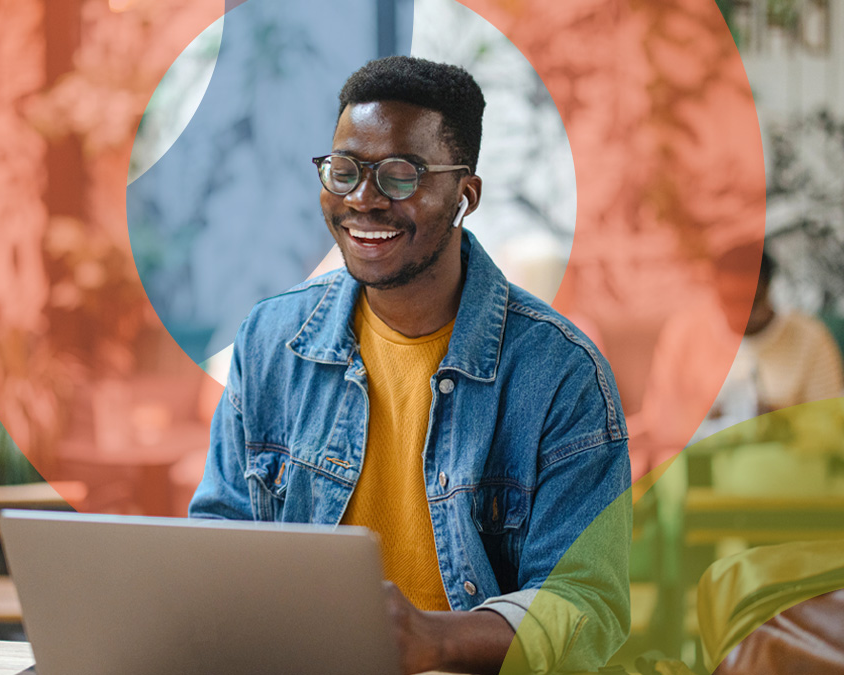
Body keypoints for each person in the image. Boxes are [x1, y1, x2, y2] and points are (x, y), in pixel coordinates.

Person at [189, 56, 631, 675]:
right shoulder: (270, 339)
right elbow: (220, 538)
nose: (364, 200)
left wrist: (435, 639)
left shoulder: (561, 374)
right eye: (343, 172)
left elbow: (588, 606)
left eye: (400, 176)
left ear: (464, 195)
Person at [638, 247, 844, 460]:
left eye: (750, 302)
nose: (740, 313)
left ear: (769, 291)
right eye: (729, 300)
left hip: (783, 469)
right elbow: (659, 419)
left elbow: (831, 430)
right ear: (716, 290)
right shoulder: (684, 332)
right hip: (701, 467)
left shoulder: (811, 339)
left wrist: (783, 425)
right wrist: (709, 419)